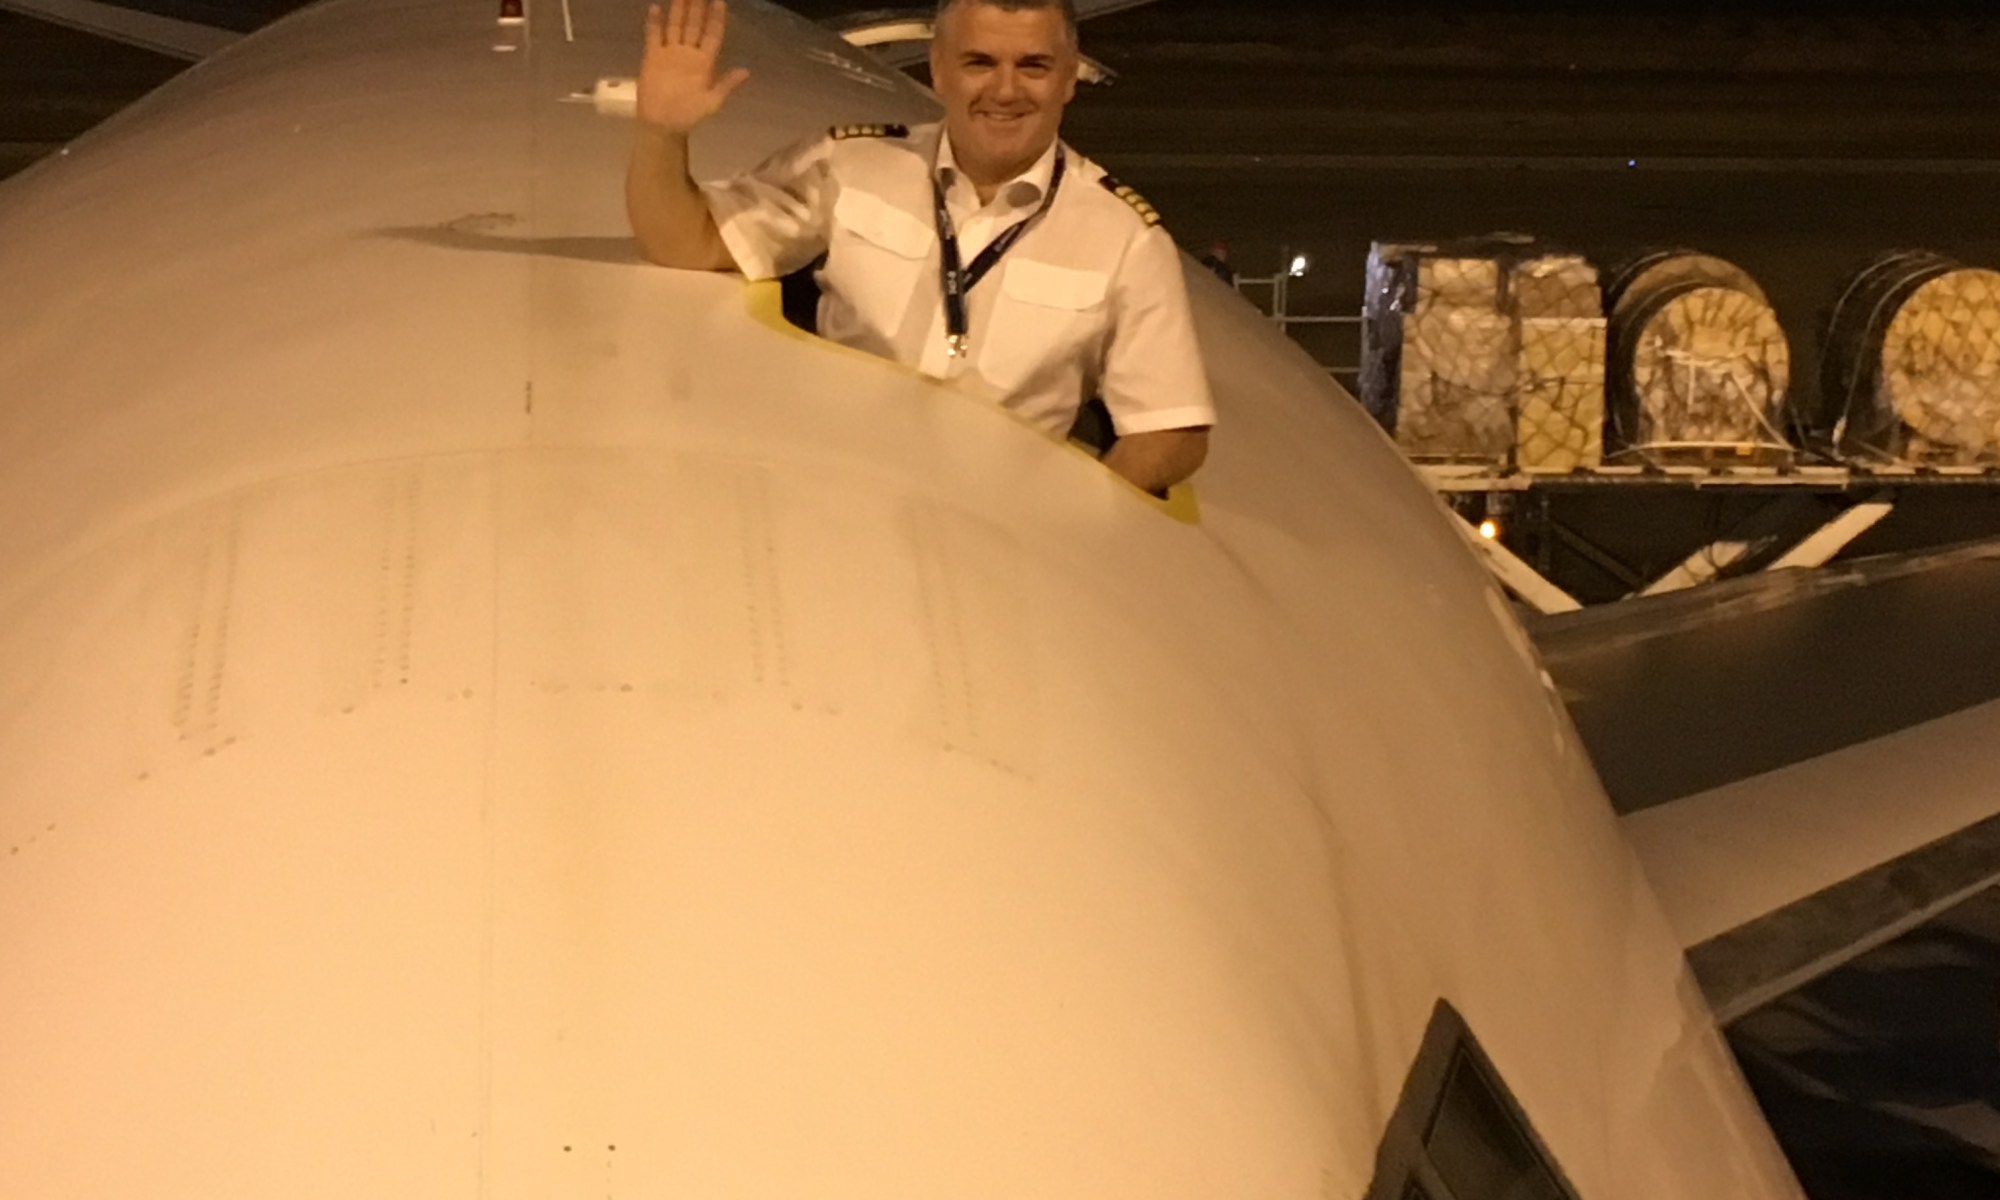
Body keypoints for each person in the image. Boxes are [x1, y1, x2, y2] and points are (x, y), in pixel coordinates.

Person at [625, 0, 1214, 494]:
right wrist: (661, 134)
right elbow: (686, 241)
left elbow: (1171, 429)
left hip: (994, 530)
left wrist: (1073, 519)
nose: (1005, 89)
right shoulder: (849, 166)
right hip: (831, 491)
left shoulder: (1125, 240)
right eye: (979, 62)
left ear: (1068, 78)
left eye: (1033, 66)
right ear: (938, 70)